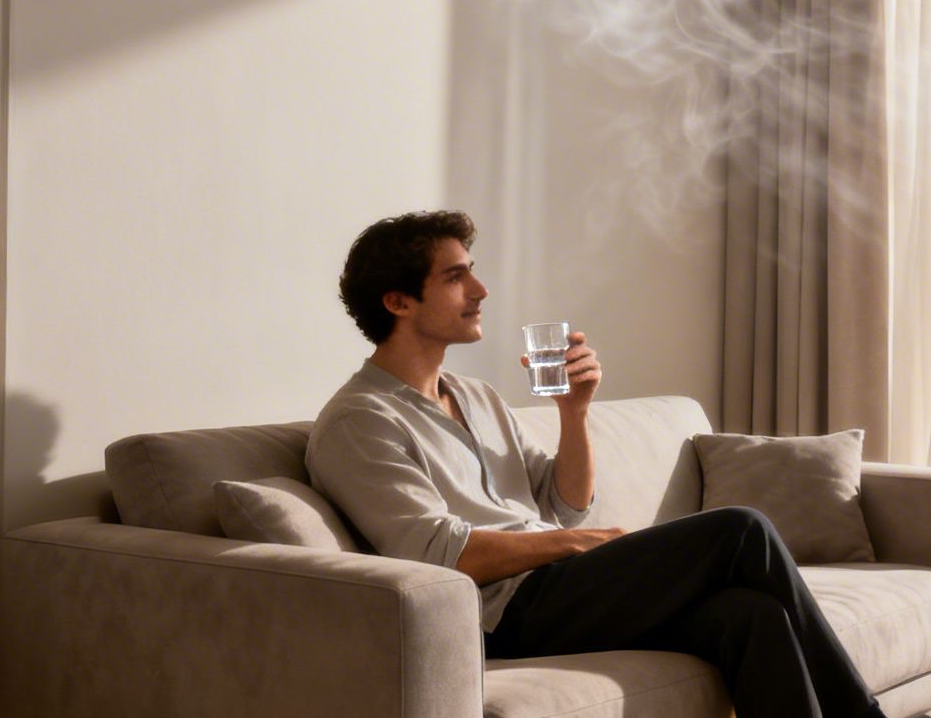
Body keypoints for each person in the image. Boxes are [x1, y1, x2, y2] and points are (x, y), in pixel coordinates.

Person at [307, 211, 886, 718]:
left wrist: (574, 412)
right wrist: (575, 544)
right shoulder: (361, 422)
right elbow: (436, 553)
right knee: (742, 531)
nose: (480, 289)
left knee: (751, 616)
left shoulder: (475, 395)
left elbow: (563, 503)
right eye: (456, 277)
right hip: (500, 613)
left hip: (558, 589)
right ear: (399, 301)